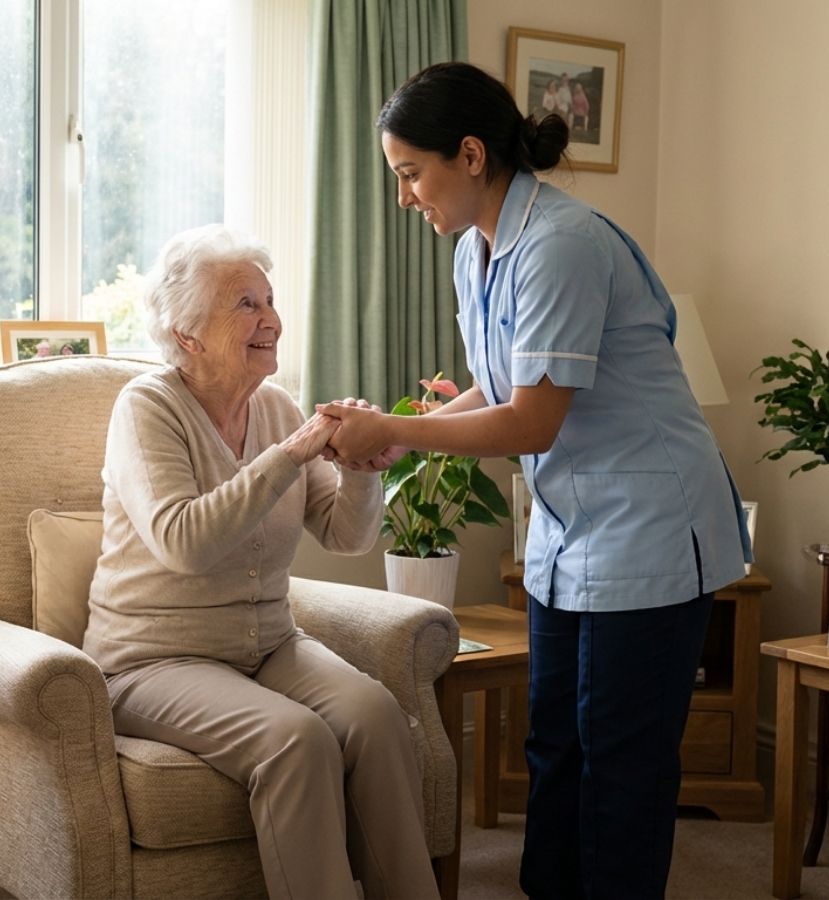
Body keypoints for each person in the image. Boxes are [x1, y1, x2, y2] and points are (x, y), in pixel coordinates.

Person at [318, 63, 749, 898]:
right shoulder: (474, 253)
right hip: (569, 530)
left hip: (650, 525)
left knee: (619, 759)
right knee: (556, 743)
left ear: (471, 154)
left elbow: (531, 423)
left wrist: (400, 431)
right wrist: (416, 431)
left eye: (411, 173)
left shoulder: (562, 244)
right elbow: (507, 385)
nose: (404, 197)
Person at [80, 225, 435, 900]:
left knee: (376, 716)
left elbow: (345, 535)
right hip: (151, 660)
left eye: (270, 300)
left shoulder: (276, 408)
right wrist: (294, 454)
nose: (271, 319)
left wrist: (363, 470)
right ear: (186, 333)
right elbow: (184, 541)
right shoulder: (147, 408)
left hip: (270, 645)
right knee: (296, 740)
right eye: (246, 304)